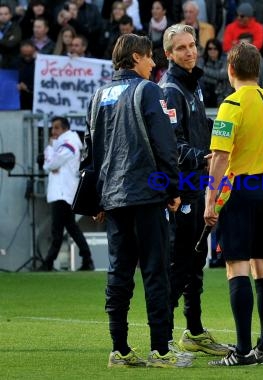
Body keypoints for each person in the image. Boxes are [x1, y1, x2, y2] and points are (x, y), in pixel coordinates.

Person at [83, 33, 189, 368]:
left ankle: (119, 348)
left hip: (113, 198)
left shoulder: (98, 95)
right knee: (156, 272)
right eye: (148, 57)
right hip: (145, 194)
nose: (154, 63)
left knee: (119, 272)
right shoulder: (149, 90)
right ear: (135, 58)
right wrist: (173, 188)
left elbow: (90, 153)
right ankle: (160, 349)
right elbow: (165, 145)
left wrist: (97, 198)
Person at [205, 42, 263, 366]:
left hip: (241, 189)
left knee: (236, 265)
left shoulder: (231, 104)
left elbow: (221, 156)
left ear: (231, 70)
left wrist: (211, 200)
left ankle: (241, 351)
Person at [158, 23, 229, 357]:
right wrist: (204, 157)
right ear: (168, 54)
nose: (189, 52)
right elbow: (172, 143)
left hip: (198, 186)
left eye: (192, 45)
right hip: (182, 189)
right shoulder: (170, 89)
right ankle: (164, 339)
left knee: (195, 262)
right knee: (179, 264)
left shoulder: (193, 85)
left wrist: (225, 136)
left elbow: (200, 129)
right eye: (181, 48)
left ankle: (194, 331)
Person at [39, 116, 94, 272]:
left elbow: (50, 163)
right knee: (70, 227)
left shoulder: (69, 144)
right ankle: (87, 259)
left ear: (65, 129)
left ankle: (48, 263)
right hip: (62, 192)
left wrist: (50, 149)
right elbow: (50, 164)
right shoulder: (64, 143)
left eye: (56, 128)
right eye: (52, 128)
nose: (53, 131)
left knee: (58, 230)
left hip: (63, 193)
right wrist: (51, 161)